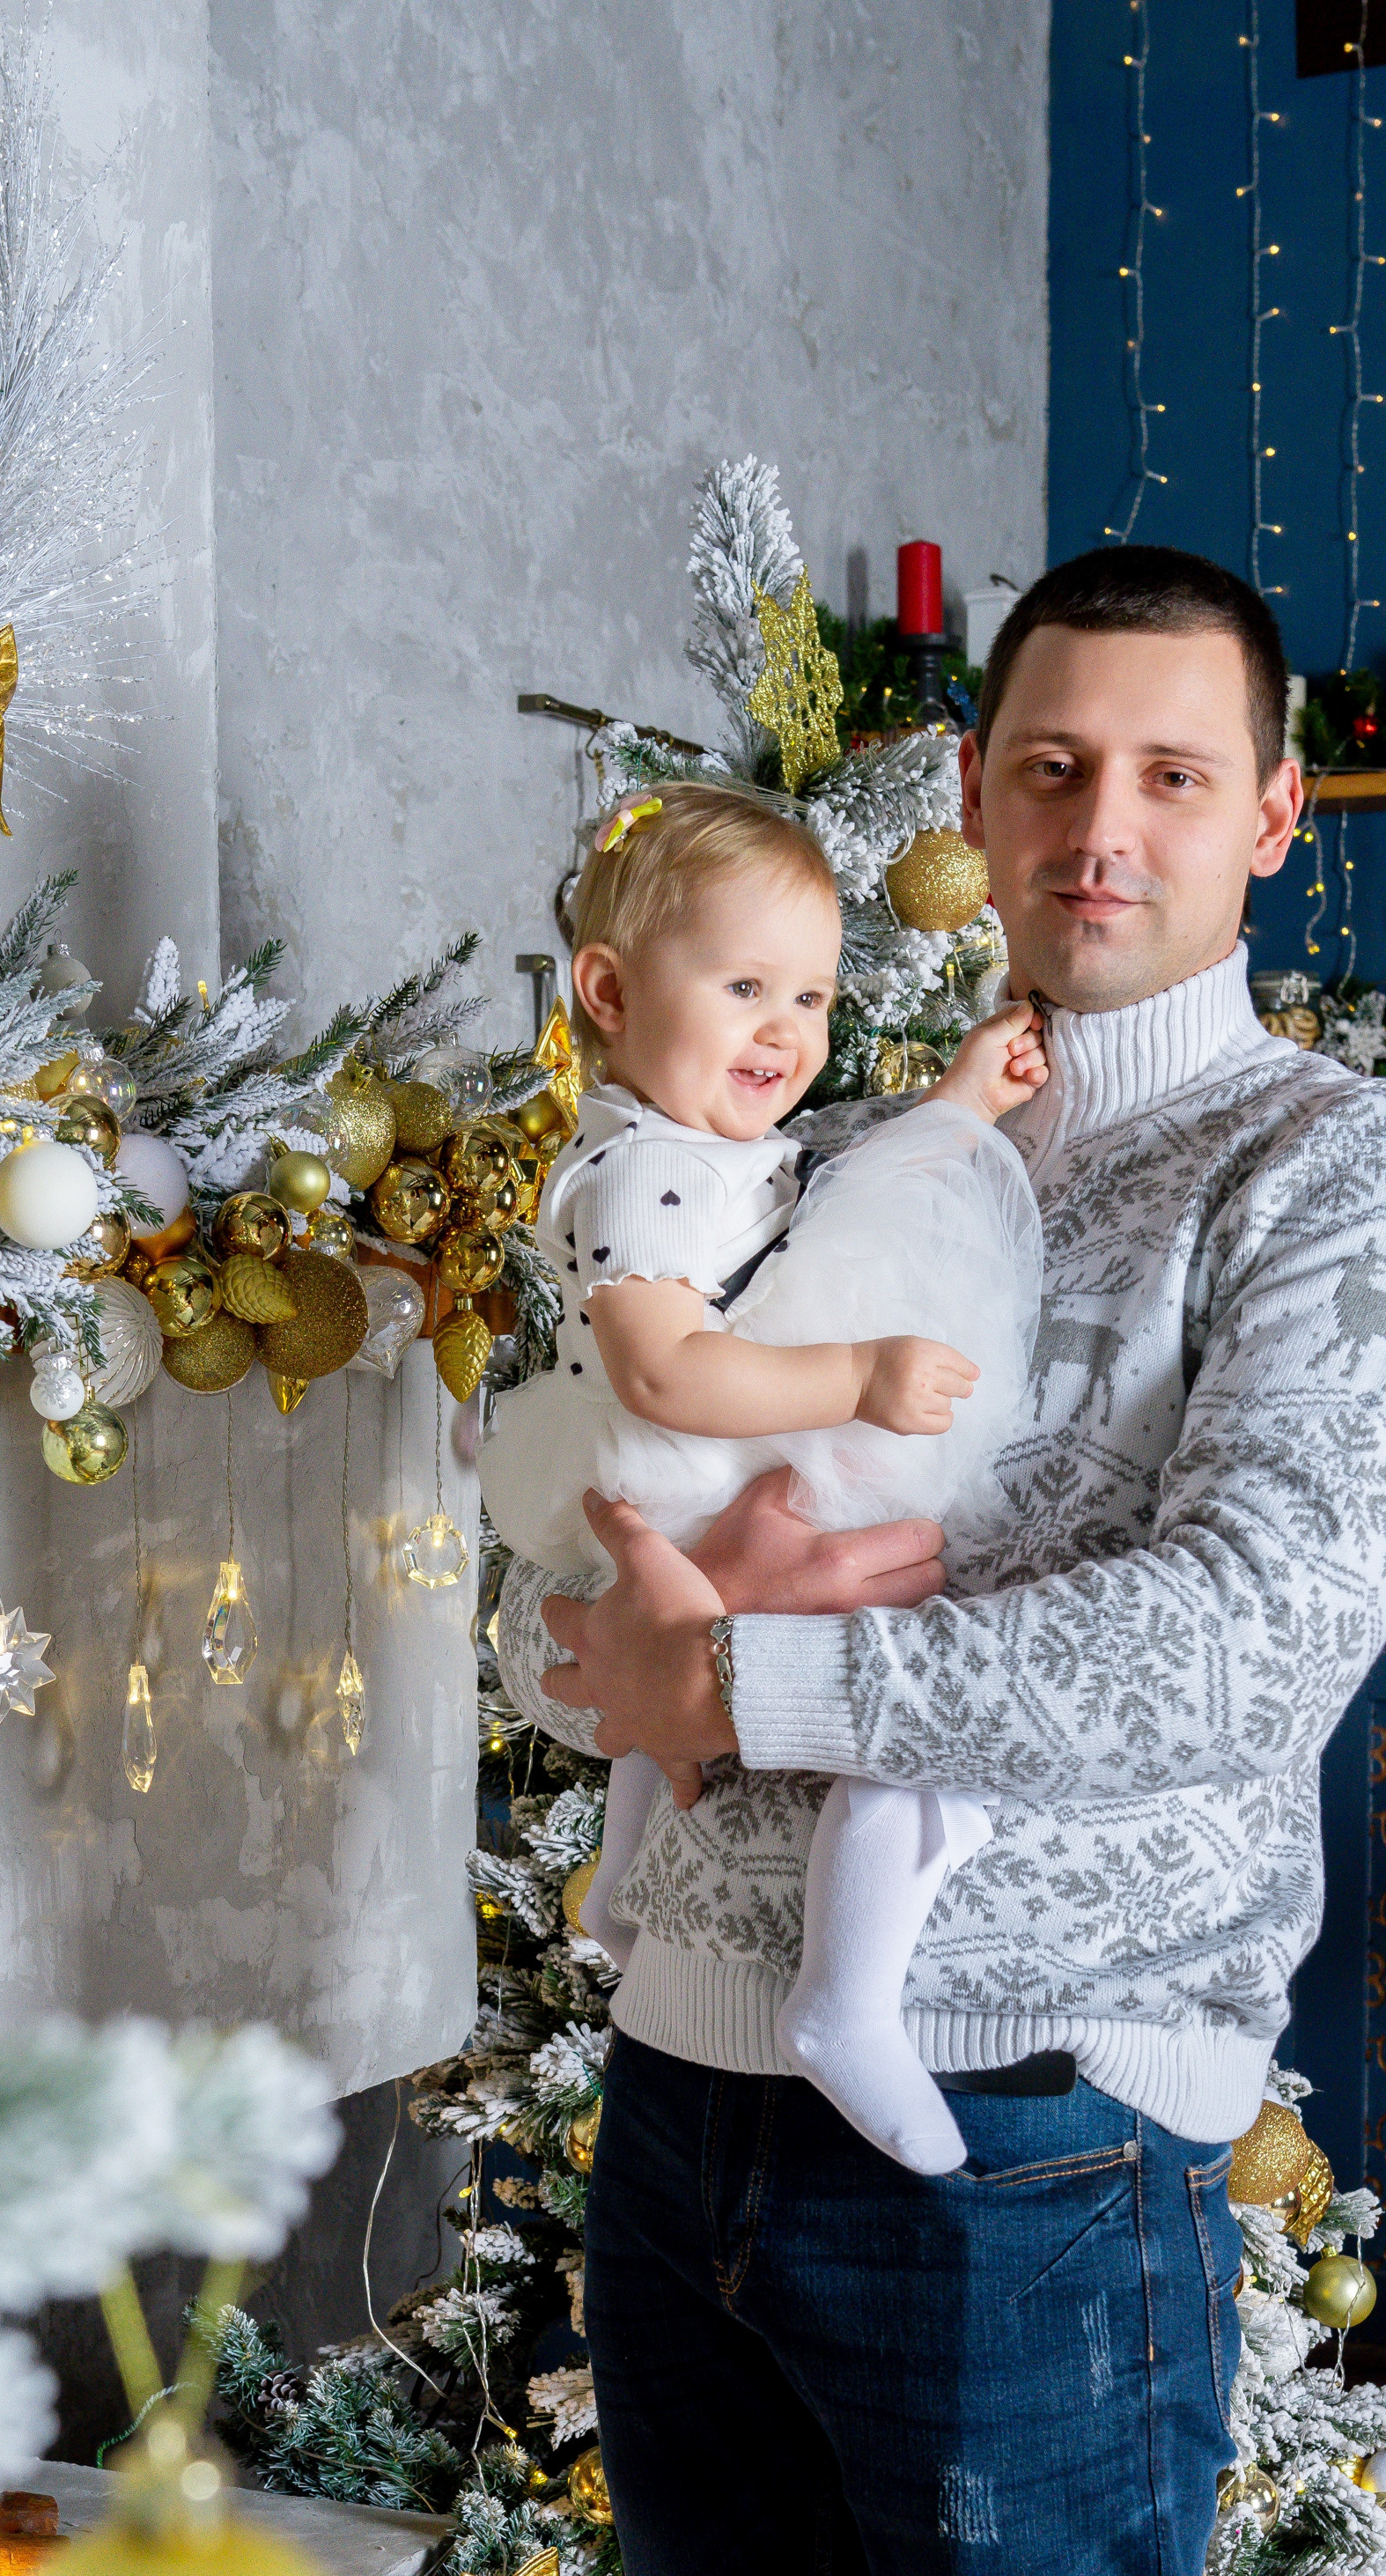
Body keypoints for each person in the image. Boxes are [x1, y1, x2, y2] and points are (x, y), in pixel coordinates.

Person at [490, 544, 1386, 2576]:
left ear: (1275, 811)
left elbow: (1244, 1634)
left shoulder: (1346, 1170)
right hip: (686, 2104)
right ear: (971, 789)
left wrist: (742, 1670)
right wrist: (624, 1627)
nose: (1096, 825)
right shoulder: (819, 1144)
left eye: (1168, 772)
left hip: (1028, 2148)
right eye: (1049, 767)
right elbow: (587, 1522)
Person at [479, 781, 1047, 2175]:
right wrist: (856, 1379)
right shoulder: (645, 1175)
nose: (787, 1030)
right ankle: (846, 1999)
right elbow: (668, 1372)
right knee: (919, 1715)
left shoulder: (694, 1151)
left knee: (684, 1671)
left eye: (811, 995)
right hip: (682, 1462)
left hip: (672, 1486)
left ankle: (620, 1889)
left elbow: (829, 1229)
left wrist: (962, 1100)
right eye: (743, 987)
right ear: (608, 992)